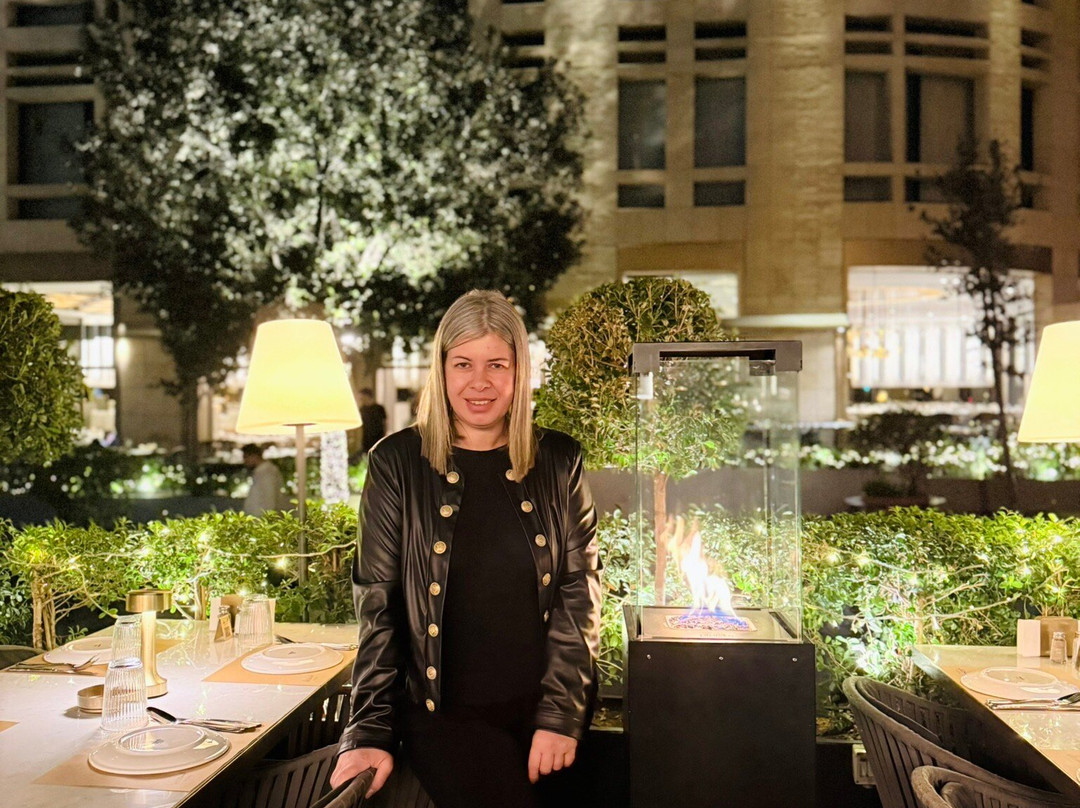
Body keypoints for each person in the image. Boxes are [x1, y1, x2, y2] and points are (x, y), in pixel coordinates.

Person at [330, 290, 601, 807]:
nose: (480, 382)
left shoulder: (560, 460)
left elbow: (578, 593)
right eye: (463, 364)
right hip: (442, 720)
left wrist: (561, 715)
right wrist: (368, 730)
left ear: (519, 371)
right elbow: (378, 609)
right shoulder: (396, 464)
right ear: (442, 370)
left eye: (497, 364)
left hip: (543, 722)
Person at [240, 444, 288, 515]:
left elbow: (270, 499)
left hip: (262, 518)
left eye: (245, 457)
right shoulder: (262, 472)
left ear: (254, 456)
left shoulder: (267, 473)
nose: (244, 461)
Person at [358, 388, 387, 454]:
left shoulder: (379, 408)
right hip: (366, 439)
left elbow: (385, 423)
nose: (361, 400)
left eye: (362, 398)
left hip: (378, 437)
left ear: (367, 396)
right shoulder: (362, 409)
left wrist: (385, 436)